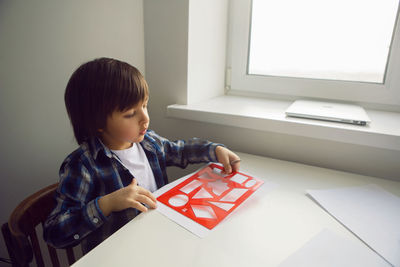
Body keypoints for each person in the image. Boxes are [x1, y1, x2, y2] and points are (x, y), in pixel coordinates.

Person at [43, 57, 240, 253]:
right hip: (119, 255)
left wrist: (214, 150)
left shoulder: (149, 142)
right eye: (130, 114)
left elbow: (179, 150)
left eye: (144, 105)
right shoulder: (82, 165)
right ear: (97, 122)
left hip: (156, 242)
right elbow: (55, 233)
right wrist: (107, 204)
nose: (145, 118)